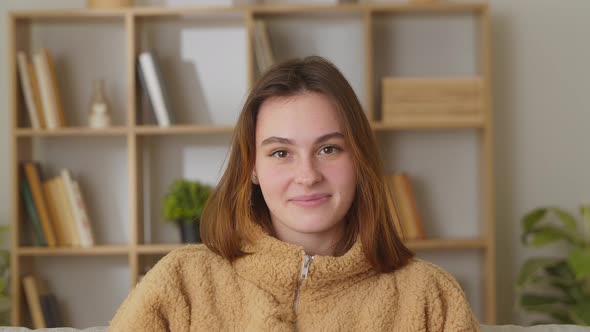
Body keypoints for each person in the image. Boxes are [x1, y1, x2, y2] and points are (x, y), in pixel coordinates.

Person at [108, 56, 480, 331]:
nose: (307, 175)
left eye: (329, 149)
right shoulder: (181, 280)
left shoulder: (430, 295)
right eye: (281, 153)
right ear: (252, 167)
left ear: (359, 158)